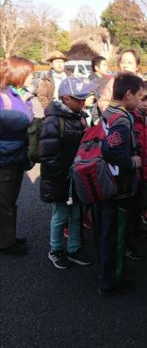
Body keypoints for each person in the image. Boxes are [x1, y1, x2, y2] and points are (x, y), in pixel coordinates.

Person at [39, 76, 96, 269]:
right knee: (61, 215)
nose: (83, 102)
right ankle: (55, 249)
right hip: (61, 178)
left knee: (77, 214)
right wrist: (61, 179)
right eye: (78, 99)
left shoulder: (79, 117)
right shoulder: (53, 121)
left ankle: (74, 248)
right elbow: (48, 156)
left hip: (76, 176)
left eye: (84, 98)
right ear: (65, 99)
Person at [97, 73, 144, 296]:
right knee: (115, 233)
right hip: (117, 185)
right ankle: (111, 281)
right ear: (128, 95)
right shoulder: (122, 119)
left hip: (105, 179)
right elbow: (111, 148)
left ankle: (110, 276)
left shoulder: (109, 112)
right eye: (139, 95)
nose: (140, 99)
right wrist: (131, 162)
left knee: (108, 230)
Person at [0, 56, 34, 255]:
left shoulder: (15, 93)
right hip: (5, 158)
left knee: (9, 201)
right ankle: (5, 243)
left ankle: (8, 236)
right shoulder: (4, 96)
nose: (32, 77)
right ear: (17, 74)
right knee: (4, 203)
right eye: (29, 74)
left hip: (15, 156)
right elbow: (24, 120)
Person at [125, 80, 147, 260]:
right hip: (133, 169)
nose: (146, 104)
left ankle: (138, 231)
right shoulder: (130, 116)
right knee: (131, 206)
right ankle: (128, 243)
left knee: (141, 202)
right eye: (143, 99)